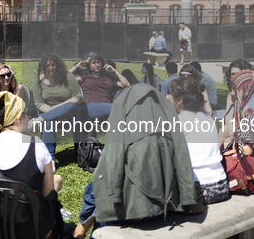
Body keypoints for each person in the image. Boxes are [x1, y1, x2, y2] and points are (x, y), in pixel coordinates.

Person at [72, 84, 196, 238]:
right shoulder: (168, 143)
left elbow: (110, 172)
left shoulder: (119, 146)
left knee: (95, 189)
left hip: (127, 219)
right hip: (161, 214)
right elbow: (183, 165)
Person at [0, 91, 64, 239]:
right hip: (26, 231)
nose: (29, 117)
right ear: (19, 118)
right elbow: (48, 193)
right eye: (28, 114)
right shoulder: (36, 146)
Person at [167, 77, 230, 204]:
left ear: (179, 100)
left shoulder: (178, 121)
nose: (167, 97)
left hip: (199, 190)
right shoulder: (208, 117)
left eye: (169, 94)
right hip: (222, 186)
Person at [29, 53, 83, 162]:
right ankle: (50, 161)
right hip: (49, 114)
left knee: (70, 105)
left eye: (53, 65)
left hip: (71, 113)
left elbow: (77, 97)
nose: (51, 68)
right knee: (49, 121)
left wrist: (59, 109)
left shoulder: (67, 76)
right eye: (48, 65)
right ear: (43, 67)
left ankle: (39, 120)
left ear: (58, 65)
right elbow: (39, 103)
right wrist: (56, 114)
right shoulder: (38, 81)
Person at [69, 52, 129, 122]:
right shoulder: (84, 76)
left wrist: (115, 71)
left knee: (116, 120)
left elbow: (126, 85)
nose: (97, 65)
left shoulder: (108, 77)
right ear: (89, 65)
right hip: (88, 107)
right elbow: (64, 79)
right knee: (119, 109)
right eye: (94, 63)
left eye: (99, 62)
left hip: (107, 109)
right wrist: (76, 66)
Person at [0, 62, 24, 137]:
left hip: (13, 114)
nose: (6, 78)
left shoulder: (17, 88)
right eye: (2, 76)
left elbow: (17, 107)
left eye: (8, 74)